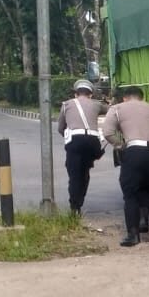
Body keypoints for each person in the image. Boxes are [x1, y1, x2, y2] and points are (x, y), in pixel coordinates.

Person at [101, 85, 149, 247]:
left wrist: (120, 145)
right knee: (145, 187)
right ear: (141, 97)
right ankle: (144, 222)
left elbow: (107, 132)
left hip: (134, 151)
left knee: (130, 192)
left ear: (125, 97)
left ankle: (133, 234)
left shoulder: (117, 108)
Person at [56, 79, 107, 214]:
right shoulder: (97, 104)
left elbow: (61, 128)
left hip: (75, 142)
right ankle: (80, 200)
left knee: (74, 176)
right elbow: (112, 110)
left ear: (75, 94)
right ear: (90, 94)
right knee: (85, 173)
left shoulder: (66, 105)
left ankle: (75, 207)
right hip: (92, 142)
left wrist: (70, 138)